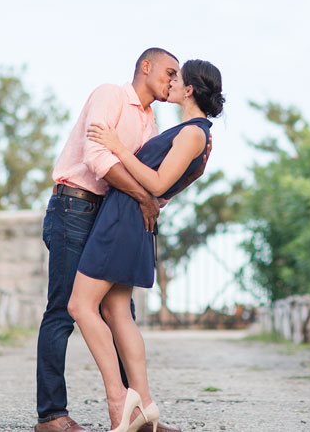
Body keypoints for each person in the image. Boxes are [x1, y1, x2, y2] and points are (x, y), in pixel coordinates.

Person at [36, 47, 200, 432]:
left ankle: (138, 411)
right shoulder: (110, 95)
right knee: (63, 310)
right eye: (168, 72)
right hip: (74, 208)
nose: (173, 81)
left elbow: (150, 174)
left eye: (178, 76)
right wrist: (146, 197)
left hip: (108, 217)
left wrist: (166, 187)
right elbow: (98, 158)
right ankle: (52, 415)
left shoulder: (151, 122)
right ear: (146, 67)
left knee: (121, 312)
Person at [68, 59, 224, 432]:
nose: (170, 82)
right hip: (130, 219)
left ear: (189, 90)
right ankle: (145, 404)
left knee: (80, 304)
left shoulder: (193, 133)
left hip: (124, 219)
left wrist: (117, 147)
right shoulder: (190, 131)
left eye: (176, 77)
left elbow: (156, 184)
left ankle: (120, 400)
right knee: (118, 311)